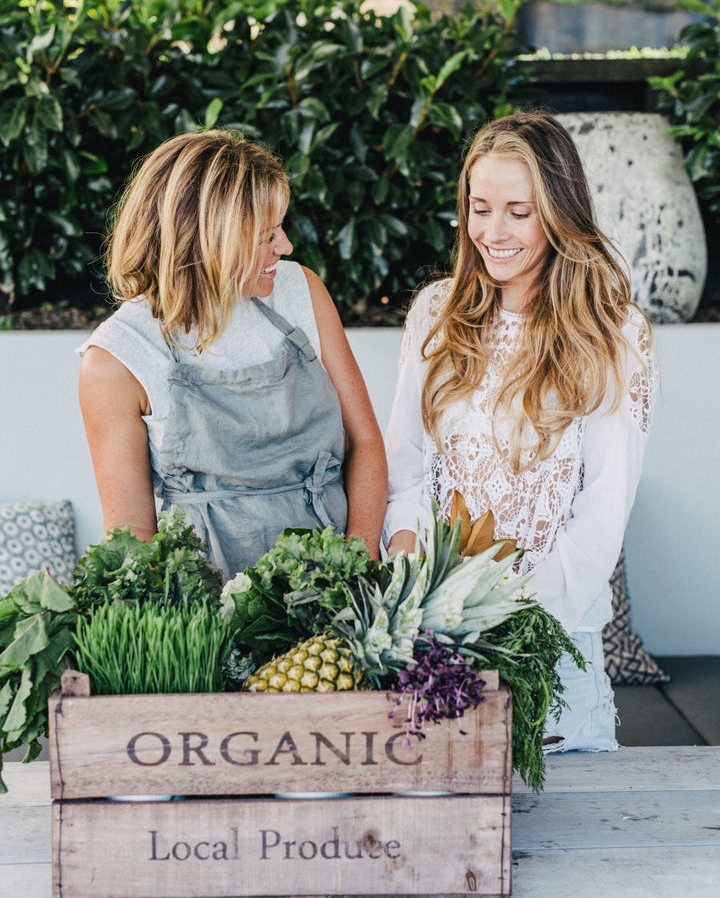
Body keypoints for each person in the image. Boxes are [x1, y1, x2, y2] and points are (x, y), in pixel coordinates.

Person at [382, 110, 657, 752]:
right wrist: (414, 591)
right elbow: (406, 469)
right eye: (480, 208)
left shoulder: (616, 333)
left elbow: (601, 516)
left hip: (553, 648)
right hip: (434, 649)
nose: (492, 232)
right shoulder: (434, 314)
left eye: (518, 211)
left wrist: (507, 631)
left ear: (559, 213)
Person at [78, 129, 387, 576]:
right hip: (209, 607)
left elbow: (366, 443)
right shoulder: (116, 358)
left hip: (334, 594)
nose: (285, 246)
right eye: (265, 236)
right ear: (206, 242)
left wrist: (358, 566)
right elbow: (132, 540)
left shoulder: (302, 293)